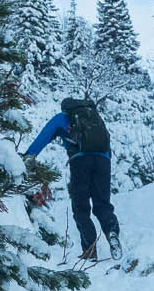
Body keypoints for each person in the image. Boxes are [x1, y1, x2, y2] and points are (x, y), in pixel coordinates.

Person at [25, 97, 121, 261]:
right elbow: (107, 143)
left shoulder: (62, 118)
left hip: (80, 161)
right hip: (103, 161)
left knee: (81, 207)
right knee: (102, 204)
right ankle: (111, 231)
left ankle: (89, 251)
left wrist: (28, 156)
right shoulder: (95, 118)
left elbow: (44, 137)